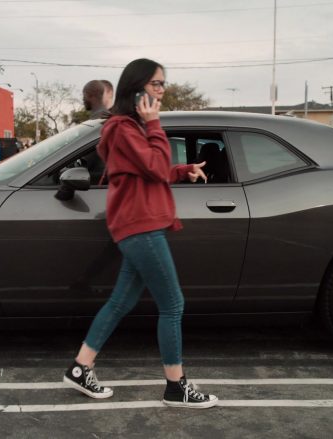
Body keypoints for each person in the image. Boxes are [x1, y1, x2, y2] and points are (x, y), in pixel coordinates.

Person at [63, 58, 218, 409]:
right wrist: (154, 123)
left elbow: (152, 170)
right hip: (140, 225)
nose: (162, 90)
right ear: (137, 88)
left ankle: (80, 367)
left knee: (122, 301)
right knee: (173, 304)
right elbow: (153, 165)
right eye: (156, 84)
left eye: (164, 83)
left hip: (141, 222)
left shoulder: (130, 127)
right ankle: (176, 387)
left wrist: (183, 169)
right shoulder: (123, 128)